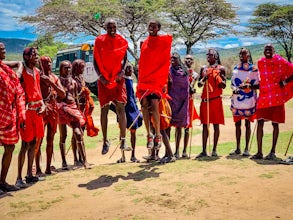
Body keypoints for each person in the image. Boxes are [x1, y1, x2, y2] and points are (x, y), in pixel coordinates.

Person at [93, 18, 131, 155]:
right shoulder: (99, 41)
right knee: (104, 109)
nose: (112, 29)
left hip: (118, 79)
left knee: (121, 108)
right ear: (105, 28)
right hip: (103, 79)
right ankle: (105, 141)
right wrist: (100, 77)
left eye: (114, 27)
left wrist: (122, 72)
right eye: (109, 27)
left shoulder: (121, 41)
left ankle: (123, 140)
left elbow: (126, 58)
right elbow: (95, 60)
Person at [252, 44, 293, 160]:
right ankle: (259, 152)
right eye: (266, 49)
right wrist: (251, 86)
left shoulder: (280, 61)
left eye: (270, 49)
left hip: (276, 97)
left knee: (275, 123)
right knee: (259, 122)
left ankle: (272, 152)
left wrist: (285, 82)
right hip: (264, 97)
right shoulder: (260, 62)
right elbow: (262, 80)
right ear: (263, 51)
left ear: (274, 51)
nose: (268, 51)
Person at [136, 19, 172, 153]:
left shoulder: (162, 42)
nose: (151, 28)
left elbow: (164, 61)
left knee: (155, 106)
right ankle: (149, 135)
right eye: (149, 26)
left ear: (158, 28)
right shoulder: (144, 43)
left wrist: (163, 82)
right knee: (144, 105)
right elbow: (144, 63)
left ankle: (158, 135)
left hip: (156, 81)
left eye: (154, 26)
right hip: (145, 79)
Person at [16, 47, 46, 188]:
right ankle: (18, 178)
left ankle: (29, 175)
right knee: (25, 144)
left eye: (36, 54)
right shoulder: (21, 73)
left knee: (34, 142)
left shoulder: (37, 72)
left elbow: (38, 91)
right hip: (27, 111)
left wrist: (43, 105)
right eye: (33, 55)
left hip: (37, 110)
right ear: (26, 57)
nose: (36, 57)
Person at [0, 42, 26, 192]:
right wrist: (19, 65)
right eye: (1, 50)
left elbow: (14, 81)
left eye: (4, 49)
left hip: (7, 114)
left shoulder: (4, 68)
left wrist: (18, 64)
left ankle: (2, 182)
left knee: (10, 147)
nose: (4, 51)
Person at [34, 56, 66, 175]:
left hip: (53, 110)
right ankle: (37, 168)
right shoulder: (37, 77)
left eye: (50, 62)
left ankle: (47, 168)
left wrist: (51, 82)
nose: (49, 64)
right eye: (46, 62)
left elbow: (62, 94)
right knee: (38, 140)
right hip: (41, 110)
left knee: (50, 139)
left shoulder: (54, 77)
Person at [57, 60, 91, 169]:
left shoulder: (74, 82)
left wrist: (79, 112)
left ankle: (84, 161)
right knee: (63, 136)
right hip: (61, 110)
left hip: (73, 109)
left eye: (69, 67)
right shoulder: (57, 81)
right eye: (65, 68)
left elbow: (75, 98)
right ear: (61, 69)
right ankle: (64, 162)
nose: (68, 70)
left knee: (78, 133)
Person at [196, 48, 226, 158]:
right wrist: (205, 77)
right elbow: (199, 84)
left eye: (211, 54)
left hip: (216, 100)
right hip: (205, 101)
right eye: (207, 54)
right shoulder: (204, 68)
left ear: (216, 56)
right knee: (205, 125)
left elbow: (223, 85)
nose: (208, 56)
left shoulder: (221, 68)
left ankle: (214, 150)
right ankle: (204, 150)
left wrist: (218, 77)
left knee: (216, 125)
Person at [230, 48, 259, 157]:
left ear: (248, 55)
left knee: (247, 124)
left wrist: (249, 86)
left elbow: (258, 84)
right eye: (240, 54)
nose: (242, 56)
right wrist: (234, 89)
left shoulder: (254, 69)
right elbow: (232, 83)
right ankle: (238, 148)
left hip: (249, 100)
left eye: (244, 54)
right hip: (237, 100)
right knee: (237, 124)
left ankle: (246, 149)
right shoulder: (236, 68)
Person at [113, 63, 143, 163]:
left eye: (131, 69)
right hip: (124, 108)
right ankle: (123, 156)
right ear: (124, 70)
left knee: (133, 131)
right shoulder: (122, 80)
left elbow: (132, 95)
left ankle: (133, 155)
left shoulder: (130, 80)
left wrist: (137, 107)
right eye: (128, 68)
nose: (131, 70)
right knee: (122, 132)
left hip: (133, 108)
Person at [71, 59, 99, 166]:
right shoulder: (72, 79)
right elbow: (73, 95)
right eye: (81, 67)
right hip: (76, 108)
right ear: (76, 67)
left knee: (81, 132)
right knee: (76, 133)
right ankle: (76, 159)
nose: (83, 69)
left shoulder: (81, 78)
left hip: (83, 107)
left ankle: (81, 157)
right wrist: (81, 93)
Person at [167, 52, 190, 159]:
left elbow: (187, 86)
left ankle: (177, 151)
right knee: (167, 126)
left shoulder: (184, 71)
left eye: (175, 58)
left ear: (179, 59)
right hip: (171, 101)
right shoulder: (168, 70)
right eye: (171, 58)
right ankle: (168, 151)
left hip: (182, 102)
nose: (172, 60)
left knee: (179, 127)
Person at [183, 54, 200, 158]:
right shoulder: (179, 72)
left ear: (192, 62)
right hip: (180, 101)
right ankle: (176, 150)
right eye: (187, 59)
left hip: (189, 101)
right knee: (178, 127)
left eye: (190, 59)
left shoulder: (195, 74)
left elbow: (192, 86)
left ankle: (184, 150)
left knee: (187, 126)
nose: (188, 61)